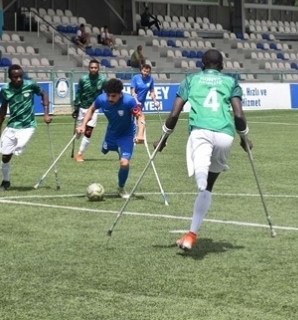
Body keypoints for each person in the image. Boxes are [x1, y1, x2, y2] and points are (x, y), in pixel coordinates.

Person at [153, 49, 251, 251]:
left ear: (201, 64)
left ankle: (200, 179)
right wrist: (245, 139)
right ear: (222, 65)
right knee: (208, 187)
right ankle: (191, 234)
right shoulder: (230, 82)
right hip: (225, 135)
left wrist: (162, 140)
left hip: (201, 132)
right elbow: (239, 115)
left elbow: (174, 113)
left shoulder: (190, 80)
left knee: (201, 179)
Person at [76, 78, 141, 199]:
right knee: (104, 150)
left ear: (120, 94)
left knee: (124, 163)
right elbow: (91, 109)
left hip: (127, 135)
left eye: (114, 96)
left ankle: (121, 187)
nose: (110, 98)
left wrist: (140, 134)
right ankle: (109, 146)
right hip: (111, 134)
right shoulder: (101, 99)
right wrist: (83, 125)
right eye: (108, 95)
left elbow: (140, 117)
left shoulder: (129, 101)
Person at [0, 64, 51, 191]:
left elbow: (43, 93)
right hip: (12, 125)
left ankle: (17, 148)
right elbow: (3, 108)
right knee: (5, 156)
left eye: (20, 76)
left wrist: (46, 113)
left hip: (28, 125)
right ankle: (5, 181)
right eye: (15, 77)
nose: (18, 79)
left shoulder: (30, 85)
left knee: (19, 146)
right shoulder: (5, 90)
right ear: (9, 77)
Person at [72, 59, 107, 162]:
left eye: (95, 67)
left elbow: (106, 93)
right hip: (83, 107)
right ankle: (78, 133)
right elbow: (79, 94)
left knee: (88, 131)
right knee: (78, 133)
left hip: (95, 108)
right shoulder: (83, 79)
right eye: (91, 67)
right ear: (88, 68)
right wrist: (76, 108)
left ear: (98, 68)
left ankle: (79, 154)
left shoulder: (102, 80)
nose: (93, 69)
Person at [130, 64, 159, 143]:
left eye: (147, 72)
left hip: (141, 104)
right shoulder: (136, 78)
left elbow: (152, 92)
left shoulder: (150, 79)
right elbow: (133, 92)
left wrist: (155, 101)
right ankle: (140, 136)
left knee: (135, 119)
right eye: (144, 71)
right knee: (141, 116)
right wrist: (136, 101)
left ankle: (136, 137)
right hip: (133, 102)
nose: (146, 73)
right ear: (141, 70)